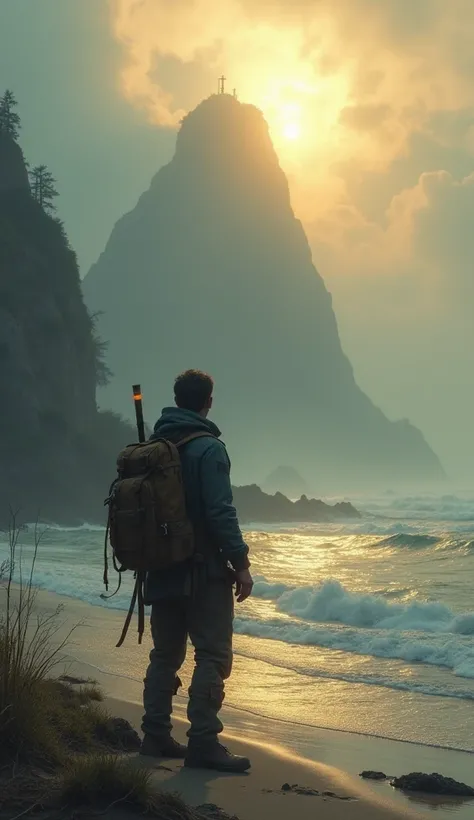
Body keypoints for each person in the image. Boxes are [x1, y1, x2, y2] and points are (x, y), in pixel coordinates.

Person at [140, 370, 254, 772]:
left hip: (159, 568)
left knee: (165, 654)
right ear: (208, 401)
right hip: (203, 570)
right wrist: (240, 564)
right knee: (212, 654)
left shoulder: (153, 447)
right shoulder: (209, 449)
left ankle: (154, 735)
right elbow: (221, 511)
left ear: (176, 398)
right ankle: (203, 742)